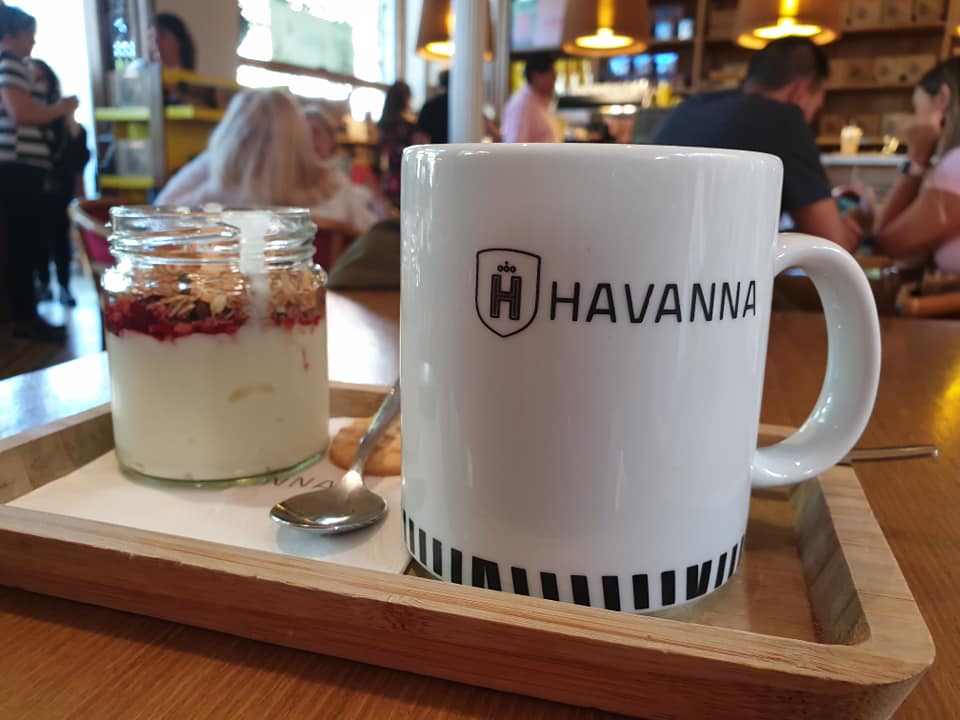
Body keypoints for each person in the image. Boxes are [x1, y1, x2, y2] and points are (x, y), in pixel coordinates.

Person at [653, 37, 859, 252]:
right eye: (815, 109)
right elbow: (831, 248)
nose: (810, 119)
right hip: (713, 267)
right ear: (801, 91)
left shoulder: (691, 106)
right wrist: (852, 224)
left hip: (653, 256)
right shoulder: (784, 120)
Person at [156, 90, 377, 233]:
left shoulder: (214, 194)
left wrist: (220, 156)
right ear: (299, 135)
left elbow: (156, 219)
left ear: (234, 136)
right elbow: (374, 236)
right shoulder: (336, 189)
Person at [0, 5, 78, 341]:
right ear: (14, 35)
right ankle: (25, 318)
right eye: (29, 35)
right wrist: (61, 108)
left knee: (25, 242)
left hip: (21, 166)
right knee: (24, 243)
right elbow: (21, 113)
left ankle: (26, 315)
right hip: (20, 167)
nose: (33, 42)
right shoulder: (11, 65)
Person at [873, 58, 960, 273]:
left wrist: (917, 158)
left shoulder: (956, 165)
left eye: (917, 108)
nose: (913, 120)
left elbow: (888, 244)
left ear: (943, 98)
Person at [32, 58, 90, 307]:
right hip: (34, 188)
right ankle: (43, 284)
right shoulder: (29, 117)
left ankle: (64, 286)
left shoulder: (65, 122)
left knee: (59, 237)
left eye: (42, 78)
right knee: (38, 239)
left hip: (59, 187)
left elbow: (77, 157)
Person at [501, 53, 559, 143]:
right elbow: (515, 146)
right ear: (536, 76)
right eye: (551, 73)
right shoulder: (522, 104)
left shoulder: (538, 101)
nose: (555, 78)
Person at [375, 81, 417, 207]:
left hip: (387, 178)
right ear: (405, 99)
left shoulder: (383, 125)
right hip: (405, 177)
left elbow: (382, 154)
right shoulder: (408, 127)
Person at [416, 70, 449, 144]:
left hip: (435, 149)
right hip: (460, 149)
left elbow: (421, 136)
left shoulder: (429, 106)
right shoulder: (463, 107)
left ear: (439, 85)